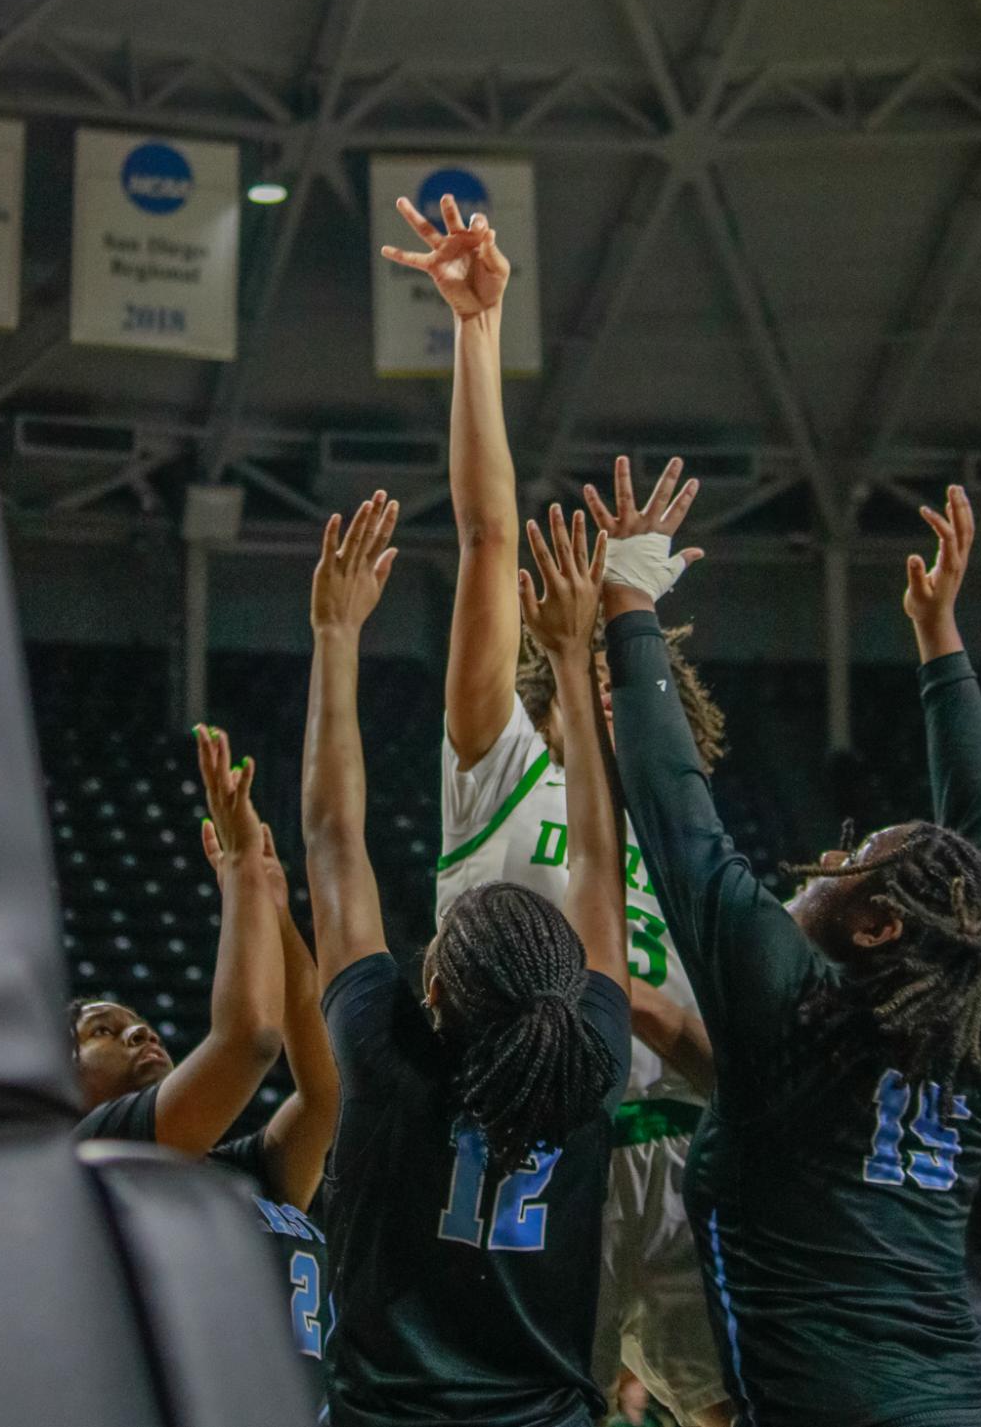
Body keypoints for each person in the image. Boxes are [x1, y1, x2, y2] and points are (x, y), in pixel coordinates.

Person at [598, 467, 981, 1427]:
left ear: (876, 925)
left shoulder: (787, 1001)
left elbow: (683, 823)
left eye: (851, 859)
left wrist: (629, 599)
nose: (824, 862)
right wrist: (940, 642)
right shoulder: (962, 1038)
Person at [382, 195, 732, 1427]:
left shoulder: (680, 823)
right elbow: (486, 539)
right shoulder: (500, 759)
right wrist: (479, 333)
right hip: (531, 1144)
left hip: (683, 1154)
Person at [302, 490, 632, 1427]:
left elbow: (331, 839)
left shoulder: (381, 1052)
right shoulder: (592, 1067)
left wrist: (335, 636)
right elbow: (603, 868)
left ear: (435, 985)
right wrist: (573, 662)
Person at [72, 725, 339, 1413]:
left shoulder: (247, 1167)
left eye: (139, 1020)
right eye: (102, 1028)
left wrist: (278, 914)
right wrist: (241, 868)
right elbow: (251, 1037)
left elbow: (326, 1092)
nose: (137, 1028)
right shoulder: (96, 1154)